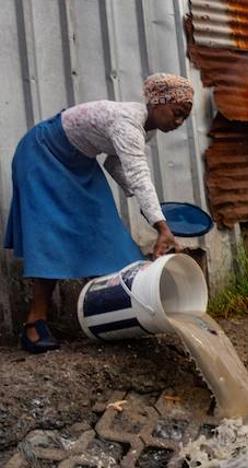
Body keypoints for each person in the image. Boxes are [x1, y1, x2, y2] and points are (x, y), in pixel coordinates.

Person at [4, 73, 194, 353]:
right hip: (42, 152)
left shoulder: (145, 129)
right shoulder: (127, 123)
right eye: (177, 113)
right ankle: (34, 323)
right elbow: (139, 174)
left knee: (105, 229)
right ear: (157, 103)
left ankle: (116, 316)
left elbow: (116, 166)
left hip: (78, 160)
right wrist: (161, 225)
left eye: (184, 119)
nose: (178, 123)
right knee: (50, 236)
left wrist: (149, 210)